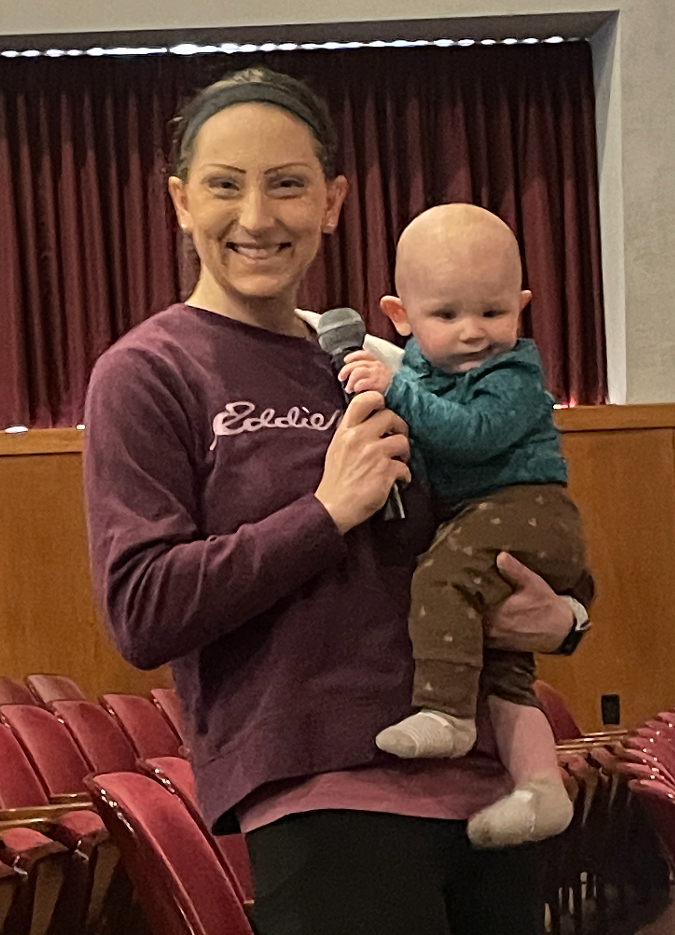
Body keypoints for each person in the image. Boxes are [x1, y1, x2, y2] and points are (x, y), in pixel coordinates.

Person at [83, 66, 592, 935]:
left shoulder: (383, 361)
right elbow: (142, 609)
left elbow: (506, 506)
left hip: (484, 788)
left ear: (332, 201)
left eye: (287, 184)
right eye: (224, 185)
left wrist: (568, 614)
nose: (256, 217)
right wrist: (324, 512)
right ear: (179, 201)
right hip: (323, 799)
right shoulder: (149, 371)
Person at [339, 203, 586, 849]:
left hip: (528, 509)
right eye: (447, 315)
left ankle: (446, 713)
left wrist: (395, 388)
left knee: (442, 574)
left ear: (522, 306)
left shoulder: (512, 371)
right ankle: (539, 787)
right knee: (504, 673)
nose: (474, 332)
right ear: (401, 316)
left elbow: (470, 435)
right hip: (493, 518)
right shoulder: (421, 369)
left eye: (493, 311)